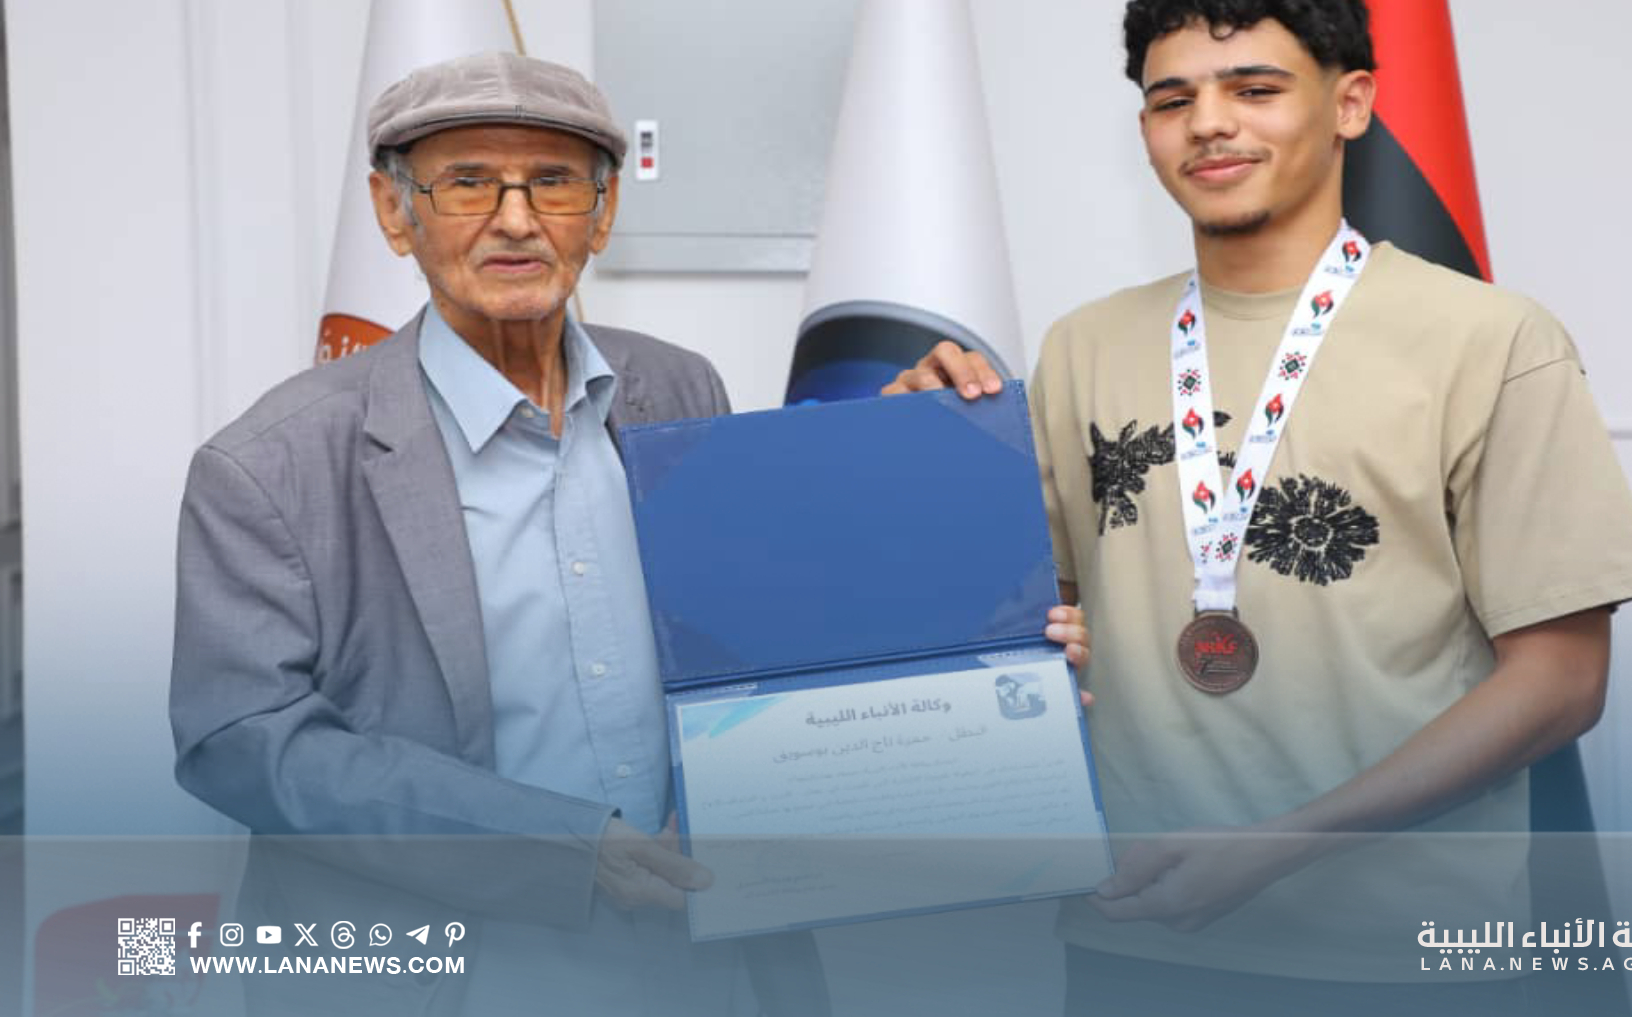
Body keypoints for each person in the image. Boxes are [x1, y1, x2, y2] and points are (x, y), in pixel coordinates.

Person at [170, 51, 1088, 1017]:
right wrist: (563, 847)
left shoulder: (680, 387)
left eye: (554, 182)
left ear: (602, 213)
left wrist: (922, 503)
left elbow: (765, 625)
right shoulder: (269, 465)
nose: (516, 219)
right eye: (468, 182)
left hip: (700, 956)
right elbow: (240, 739)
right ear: (394, 213)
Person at [888, 0, 1632, 1014]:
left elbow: (1562, 681)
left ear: (1350, 105)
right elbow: (1025, 627)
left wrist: (1277, 845)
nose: (1209, 124)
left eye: (1254, 89)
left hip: (1399, 958)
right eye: (1173, 100)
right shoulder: (1082, 345)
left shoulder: (1492, 340)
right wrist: (913, 454)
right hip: (1130, 935)